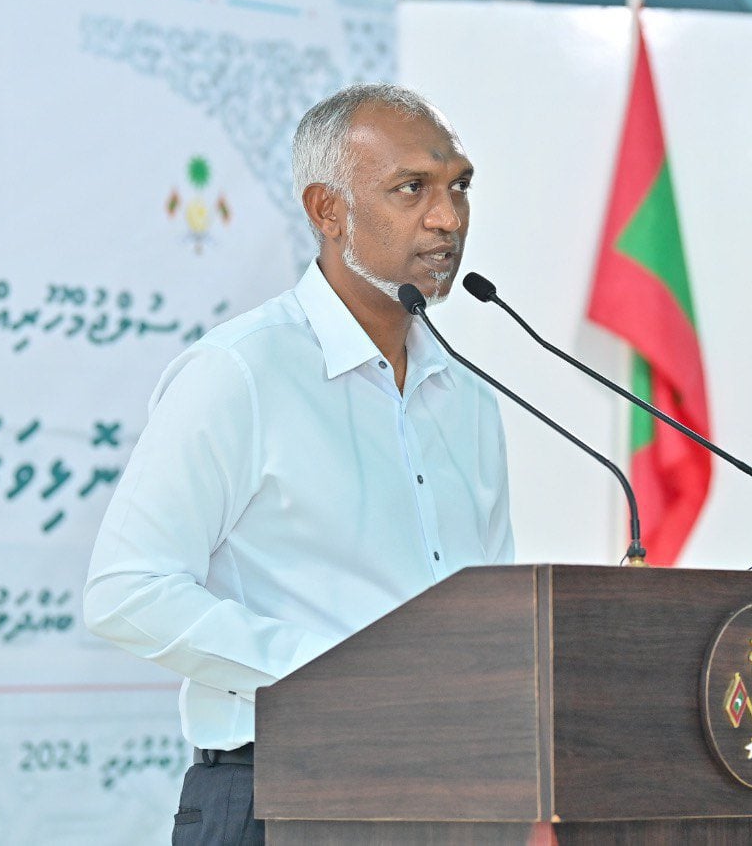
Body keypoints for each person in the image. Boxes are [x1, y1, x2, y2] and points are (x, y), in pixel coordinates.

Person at [84, 84, 514, 846]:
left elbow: (489, 612)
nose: (448, 218)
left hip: (450, 795)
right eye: (412, 188)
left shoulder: (469, 396)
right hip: (279, 791)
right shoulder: (241, 371)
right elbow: (126, 590)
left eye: (459, 187)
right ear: (328, 209)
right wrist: (341, 673)